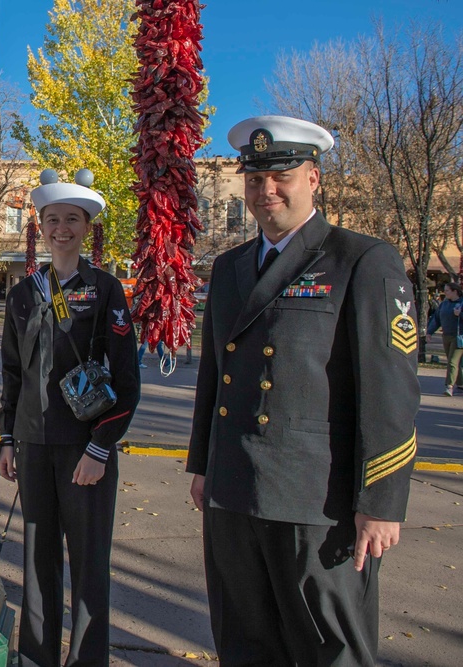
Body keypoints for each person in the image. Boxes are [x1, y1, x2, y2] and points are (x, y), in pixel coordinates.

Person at [187, 115, 421, 665]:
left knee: (329, 651)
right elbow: (213, 377)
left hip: (318, 502)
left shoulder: (361, 260)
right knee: (244, 645)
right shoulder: (228, 267)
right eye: (254, 177)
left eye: (281, 175)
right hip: (233, 493)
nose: (265, 190)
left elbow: (390, 393)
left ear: (313, 178)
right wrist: (203, 465)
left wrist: (382, 502)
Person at [0, 169, 141, 665]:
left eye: (72, 219)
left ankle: (86, 660)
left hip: (85, 450)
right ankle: (36, 658)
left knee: (88, 565)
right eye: (53, 219)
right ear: (41, 225)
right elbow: (12, 373)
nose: (62, 228)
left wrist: (101, 448)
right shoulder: (21, 293)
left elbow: (125, 378)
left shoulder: (106, 290)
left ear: (87, 227)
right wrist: (9, 440)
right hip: (34, 447)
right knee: (36, 563)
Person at [425, 282, 462, 396]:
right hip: (446, 336)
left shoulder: (461, 303)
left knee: (452, 362)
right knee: (456, 363)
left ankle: (449, 386)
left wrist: (460, 314)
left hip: (459, 337)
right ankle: (460, 384)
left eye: (447, 290)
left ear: (455, 291)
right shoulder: (444, 305)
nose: (444, 293)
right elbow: (436, 319)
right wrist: (429, 332)